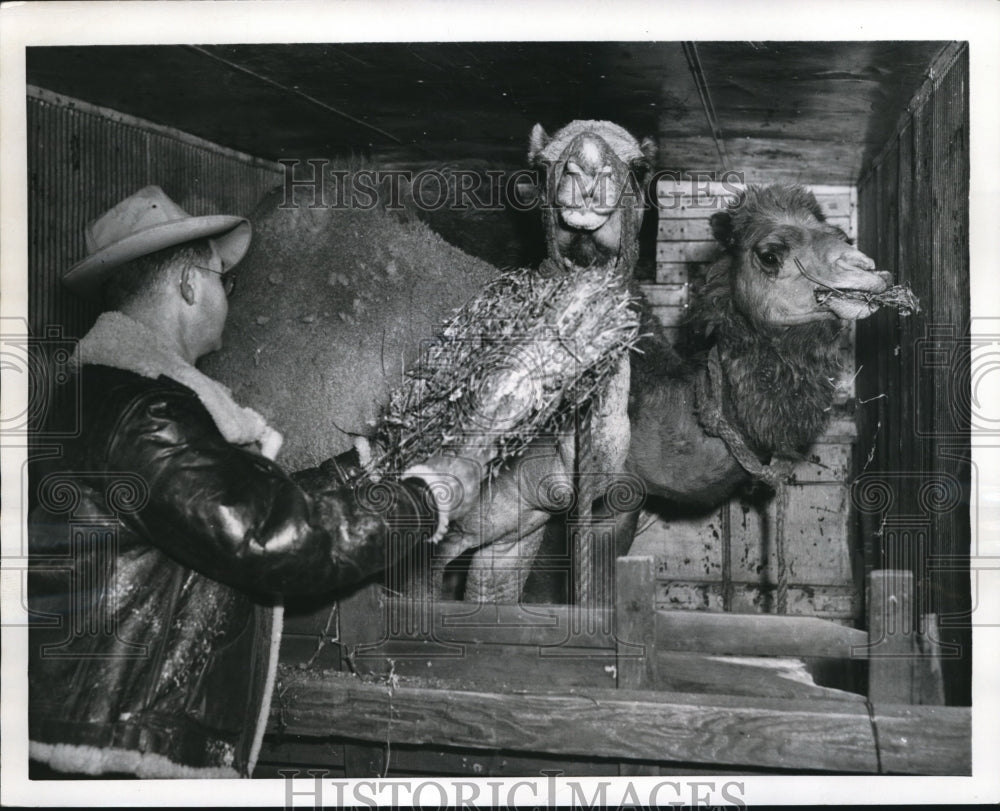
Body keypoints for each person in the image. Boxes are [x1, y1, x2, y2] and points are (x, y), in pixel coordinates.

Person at [27, 186, 485, 779]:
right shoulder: (149, 416)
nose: (227, 298)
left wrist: (359, 468)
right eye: (223, 280)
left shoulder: (104, 395)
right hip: (116, 759)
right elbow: (272, 539)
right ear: (189, 285)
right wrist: (427, 500)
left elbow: (227, 505)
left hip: (92, 729)